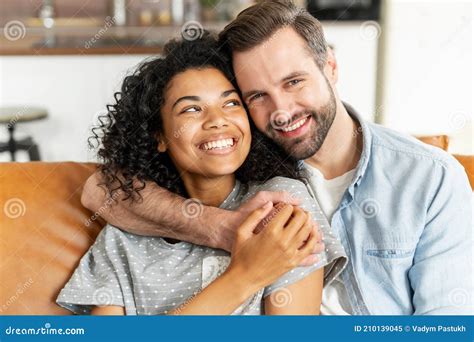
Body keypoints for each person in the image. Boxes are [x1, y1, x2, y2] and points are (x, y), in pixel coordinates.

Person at [81, 0, 473, 315]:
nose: (282, 111)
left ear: (330, 68)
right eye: (256, 96)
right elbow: (100, 190)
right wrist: (221, 227)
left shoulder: (429, 177)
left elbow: (445, 326)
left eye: (294, 82)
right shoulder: (242, 160)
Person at [56, 33, 347, 315]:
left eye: (231, 103)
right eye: (192, 109)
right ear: (159, 135)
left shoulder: (282, 206)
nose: (217, 120)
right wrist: (244, 277)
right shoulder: (126, 232)